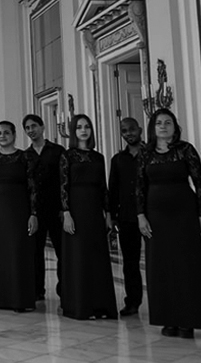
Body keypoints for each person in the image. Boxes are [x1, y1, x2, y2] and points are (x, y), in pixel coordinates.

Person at [137, 108, 201, 339]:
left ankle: (188, 321)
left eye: (168, 122)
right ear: (153, 127)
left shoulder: (185, 150)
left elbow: (200, 182)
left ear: (174, 126)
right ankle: (167, 319)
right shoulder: (145, 154)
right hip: (155, 217)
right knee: (160, 267)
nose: (163, 126)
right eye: (159, 122)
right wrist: (140, 216)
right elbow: (139, 188)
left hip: (184, 215)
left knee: (186, 267)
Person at [59, 114, 117, 320]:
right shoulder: (67, 156)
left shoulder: (98, 157)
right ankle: (80, 306)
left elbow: (103, 187)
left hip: (94, 211)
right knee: (78, 258)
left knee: (97, 257)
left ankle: (100, 306)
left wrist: (109, 213)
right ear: (74, 132)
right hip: (75, 210)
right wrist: (66, 214)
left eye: (87, 127)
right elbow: (63, 186)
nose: (84, 130)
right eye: (79, 127)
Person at [0, 121, 38, 313]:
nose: (3, 136)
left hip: (19, 212)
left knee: (18, 253)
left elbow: (32, 187)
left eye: (6, 132)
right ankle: (0, 298)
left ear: (14, 135)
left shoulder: (24, 157)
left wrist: (33, 214)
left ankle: (21, 298)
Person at [23, 114, 65, 301]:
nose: (31, 130)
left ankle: (64, 288)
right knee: (34, 252)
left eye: (34, 126)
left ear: (42, 127)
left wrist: (65, 208)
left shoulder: (57, 151)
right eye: (27, 128)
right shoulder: (25, 155)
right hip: (35, 211)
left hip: (56, 208)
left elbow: (65, 181)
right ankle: (37, 289)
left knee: (61, 251)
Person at [108, 117, 145, 317]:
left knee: (157, 262)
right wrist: (112, 216)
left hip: (151, 215)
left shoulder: (151, 154)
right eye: (124, 130)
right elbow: (112, 189)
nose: (128, 133)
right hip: (127, 217)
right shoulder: (118, 160)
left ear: (139, 130)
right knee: (130, 263)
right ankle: (132, 302)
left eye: (131, 129)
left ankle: (162, 301)